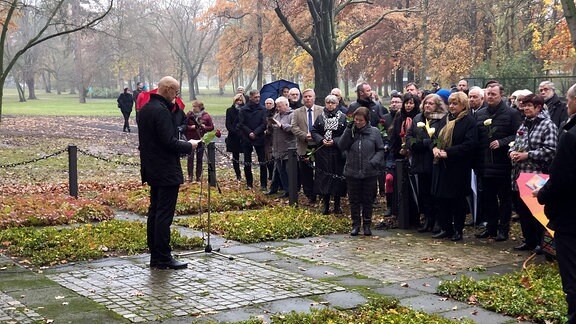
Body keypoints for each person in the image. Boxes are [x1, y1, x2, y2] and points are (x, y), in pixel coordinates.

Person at [138, 76, 201, 270]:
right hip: (165, 169)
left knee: (155, 212)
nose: (177, 96)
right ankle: (163, 257)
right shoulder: (161, 111)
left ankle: (156, 255)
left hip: (152, 167)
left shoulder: (146, 109)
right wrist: (189, 145)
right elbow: (169, 142)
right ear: (167, 90)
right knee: (164, 215)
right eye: (176, 92)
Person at [537, 83, 576, 323]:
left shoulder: (570, 135)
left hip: (571, 216)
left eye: (569, 100)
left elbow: (560, 177)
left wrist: (543, 195)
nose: (567, 104)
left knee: (572, 275)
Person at [509, 94, 557, 252]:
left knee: (536, 211)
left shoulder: (547, 125)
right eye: (524, 105)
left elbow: (551, 150)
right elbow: (515, 144)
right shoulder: (523, 125)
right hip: (520, 174)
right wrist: (512, 152)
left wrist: (528, 155)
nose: (526, 108)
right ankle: (528, 239)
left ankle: (540, 242)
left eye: (530, 105)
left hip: (537, 175)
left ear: (539, 107)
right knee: (523, 211)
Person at [474, 83, 522, 241]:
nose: (490, 97)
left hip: (503, 164)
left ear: (501, 95)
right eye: (488, 94)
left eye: (493, 94)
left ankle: (503, 229)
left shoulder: (512, 113)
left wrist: (502, 142)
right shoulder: (480, 114)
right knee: (488, 198)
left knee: (504, 199)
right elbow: (477, 139)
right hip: (485, 164)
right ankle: (491, 227)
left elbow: (519, 136)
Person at [431, 92, 478, 241]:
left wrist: (449, 152)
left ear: (463, 105)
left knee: (457, 200)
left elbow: (470, 144)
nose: (451, 106)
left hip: (458, 166)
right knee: (442, 199)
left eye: (455, 103)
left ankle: (458, 229)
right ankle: (446, 228)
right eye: (450, 103)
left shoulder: (468, 121)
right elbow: (435, 137)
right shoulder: (445, 119)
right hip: (441, 165)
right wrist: (435, 148)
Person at [339, 107, 385, 236]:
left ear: (366, 120)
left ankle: (367, 224)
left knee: (367, 199)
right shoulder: (351, 131)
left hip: (369, 172)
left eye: (360, 120)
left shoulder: (374, 132)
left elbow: (380, 149)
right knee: (354, 200)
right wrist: (348, 130)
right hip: (352, 171)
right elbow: (342, 146)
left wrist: (374, 162)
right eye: (356, 120)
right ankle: (355, 224)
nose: (357, 122)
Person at [406, 93, 448, 233]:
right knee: (423, 193)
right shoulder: (417, 118)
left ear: (437, 105)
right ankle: (428, 219)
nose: (427, 106)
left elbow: (440, 140)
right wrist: (421, 143)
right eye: (426, 103)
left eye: (431, 103)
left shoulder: (442, 119)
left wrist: (428, 143)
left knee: (435, 192)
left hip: (434, 161)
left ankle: (437, 221)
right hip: (420, 160)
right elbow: (409, 137)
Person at [311, 95, 347, 215]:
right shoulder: (321, 117)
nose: (330, 105)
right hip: (323, 152)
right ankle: (325, 205)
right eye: (328, 103)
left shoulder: (342, 117)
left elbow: (346, 134)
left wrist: (335, 141)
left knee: (337, 177)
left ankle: (337, 205)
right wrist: (321, 140)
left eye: (332, 103)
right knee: (324, 178)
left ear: (337, 104)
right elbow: (314, 131)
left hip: (337, 152)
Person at [291, 88, 323, 203]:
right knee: (306, 172)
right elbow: (293, 127)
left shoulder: (321, 110)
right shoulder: (297, 112)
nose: (308, 98)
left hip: (319, 145)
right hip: (304, 145)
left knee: (320, 170)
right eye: (305, 97)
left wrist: (317, 136)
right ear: (302, 98)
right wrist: (305, 135)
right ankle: (310, 195)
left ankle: (321, 192)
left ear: (314, 98)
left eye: (310, 96)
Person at [237, 89, 268, 190]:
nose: (258, 99)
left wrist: (255, 133)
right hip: (247, 137)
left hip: (259, 137)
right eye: (255, 97)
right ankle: (249, 183)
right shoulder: (243, 110)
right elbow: (241, 124)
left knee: (262, 161)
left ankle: (263, 184)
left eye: (259, 97)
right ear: (250, 97)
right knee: (247, 162)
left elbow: (264, 124)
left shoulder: (263, 109)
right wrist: (249, 132)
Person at [266, 96, 295, 197]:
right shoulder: (277, 115)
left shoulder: (293, 115)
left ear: (287, 105)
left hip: (288, 148)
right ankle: (285, 190)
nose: (278, 108)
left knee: (288, 171)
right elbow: (271, 132)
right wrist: (269, 126)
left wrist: (282, 125)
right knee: (280, 171)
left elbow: (294, 129)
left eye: (280, 106)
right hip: (277, 148)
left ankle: (291, 191)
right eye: (277, 106)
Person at [185, 100, 214, 182]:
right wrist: (191, 127)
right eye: (193, 106)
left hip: (201, 138)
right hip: (191, 139)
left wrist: (204, 127)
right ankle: (190, 175)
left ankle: (198, 176)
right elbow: (185, 125)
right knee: (190, 158)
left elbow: (211, 127)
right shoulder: (189, 115)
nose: (193, 108)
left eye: (195, 107)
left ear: (200, 107)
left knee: (199, 158)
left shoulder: (206, 116)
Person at [225, 94, 245, 181]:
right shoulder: (230, 110)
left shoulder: (245, 110)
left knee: (246, 156)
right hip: (233, 136)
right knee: (235, 156)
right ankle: (238, 175)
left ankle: (247, 174)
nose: (239, 102)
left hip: (244, 135)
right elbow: (228, 124)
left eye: (240, 100)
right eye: (237, 100)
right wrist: (234, 131)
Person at [263, 98, 276, 181]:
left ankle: (273, 174)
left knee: (272, 158)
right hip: (265, 139)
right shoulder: (263, 113)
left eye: (270, 103)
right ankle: (270, 174)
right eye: (267, 103)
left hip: (273, 138)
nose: (268, 105)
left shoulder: (275, 113)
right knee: (267, 158)